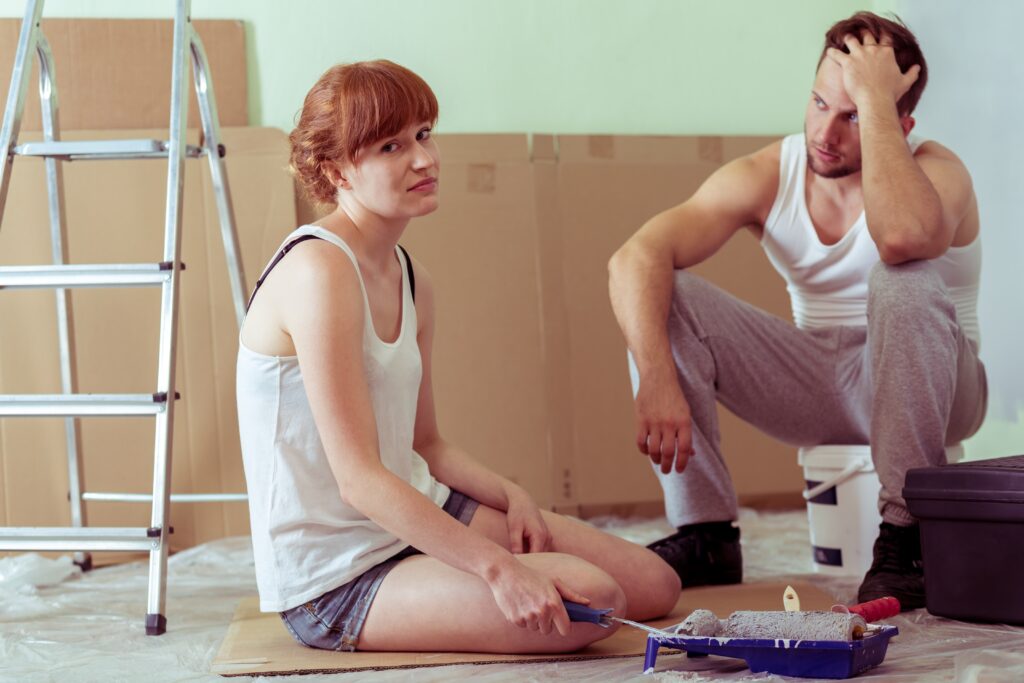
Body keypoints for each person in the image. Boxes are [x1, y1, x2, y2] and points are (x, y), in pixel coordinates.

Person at [236, 60, 679, 653]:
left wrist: (512, 494)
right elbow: (359, 480)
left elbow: (427, 444)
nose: (423, 159)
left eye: (424, 134)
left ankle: (465, 559)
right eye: (391, 145)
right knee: (593, 602)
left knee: (656, 583)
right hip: (336, 575)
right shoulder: (318, 272)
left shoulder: (410, 277)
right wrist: (498, 569)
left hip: (417, 514)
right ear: (334, 168)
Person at [607, 12, 986, 610]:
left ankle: (905, 536)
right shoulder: (769, 173)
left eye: (853, 115)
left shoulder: (938, 171)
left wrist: (877, 105)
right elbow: (634, 256)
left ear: (898, 120)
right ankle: (706, 534)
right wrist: (657, 376)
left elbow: (902, 239)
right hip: (817, 382)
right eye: (818, 103)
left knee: (900, 277)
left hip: (940, 389)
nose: (825, 133)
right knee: (663, 289)